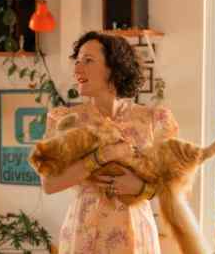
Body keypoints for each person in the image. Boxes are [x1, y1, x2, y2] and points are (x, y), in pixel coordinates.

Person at [40, 31, 179, 254]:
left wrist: (141, 187)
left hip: (137, 235)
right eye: (77, 61)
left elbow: (173, 186)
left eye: (88, 60)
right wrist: (100, 157)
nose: (77, 69)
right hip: (84, 234)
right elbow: (49, 184)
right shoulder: (66, 120)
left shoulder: (152, 120)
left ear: (113, 68)